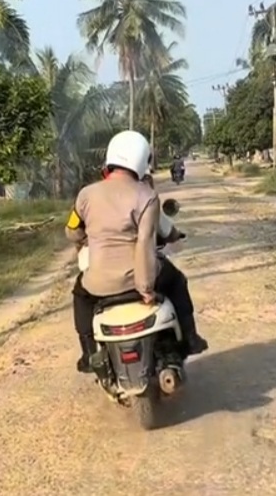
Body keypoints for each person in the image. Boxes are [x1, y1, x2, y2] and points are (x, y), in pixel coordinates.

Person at [66, 130, 208, 373]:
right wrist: (145, 289)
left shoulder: (85, 195)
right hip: (138, 280)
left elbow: (71, 231)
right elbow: (144, 243)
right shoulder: (147, 195)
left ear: (110, 161)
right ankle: (190, 338)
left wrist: (84, 238)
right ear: (143, 162)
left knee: (80, 294)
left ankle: (89, 353)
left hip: (98, 283)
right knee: (176, 281)